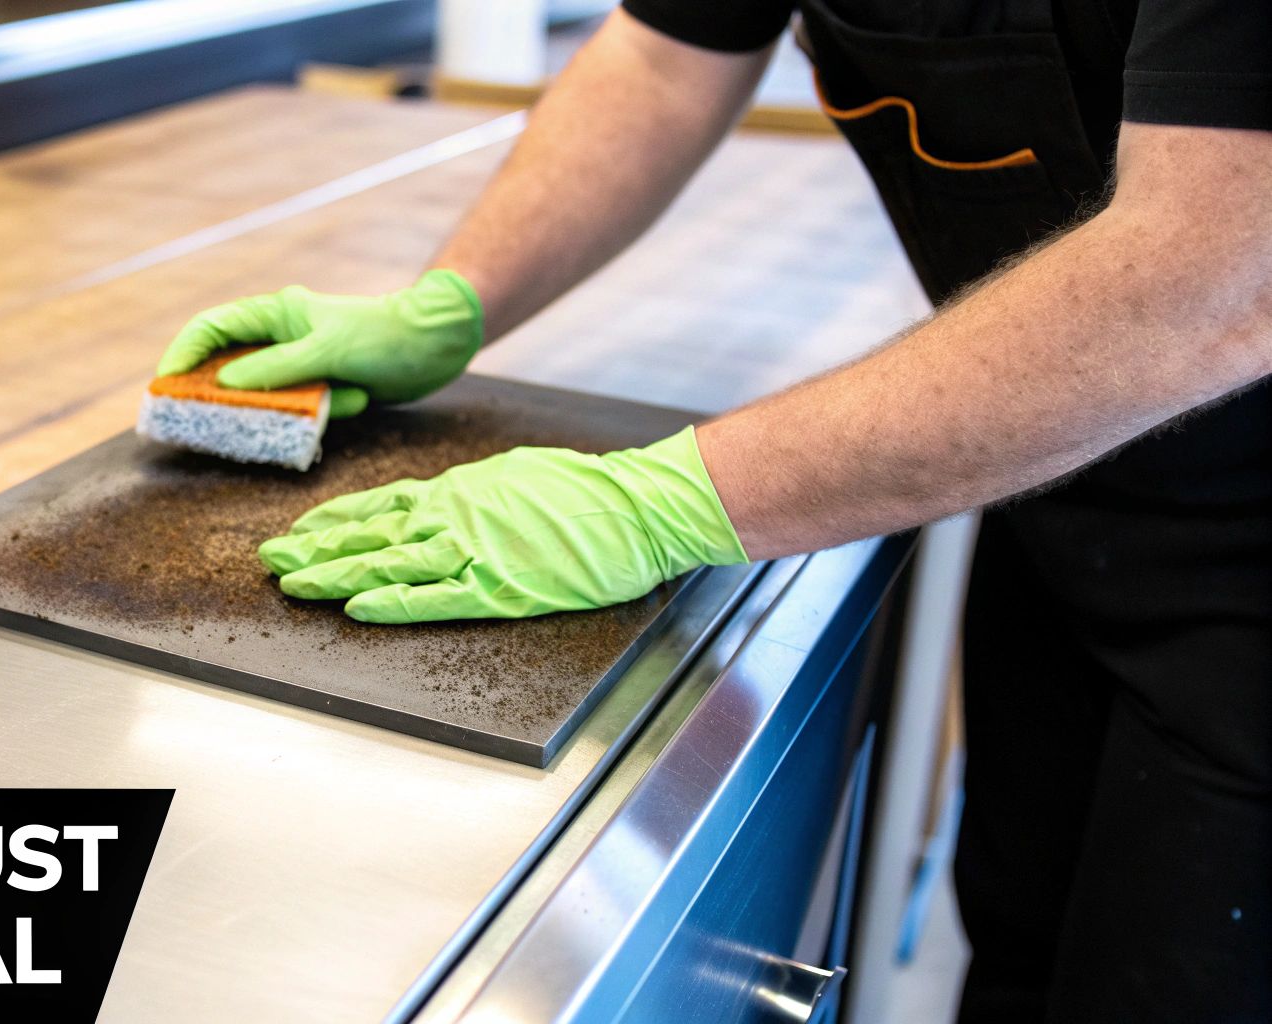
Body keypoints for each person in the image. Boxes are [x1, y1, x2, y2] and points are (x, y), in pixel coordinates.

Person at [156, 3, 1269, 1021]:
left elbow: (1212, 276)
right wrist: (451, 300)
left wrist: (667, 500)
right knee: (1027, 938)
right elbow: (664, 54)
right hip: (1064, 480)